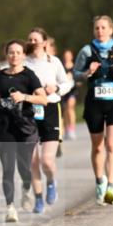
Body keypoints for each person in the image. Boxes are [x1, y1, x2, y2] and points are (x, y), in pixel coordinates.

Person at [0, 40, 46, 222]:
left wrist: (24, 97)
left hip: (24, 127)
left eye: (18, 52)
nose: (14, 56)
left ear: (24, 55)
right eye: (11, 52)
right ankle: (10, 208)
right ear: (7, 54)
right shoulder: (0, 76)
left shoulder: (29, 75)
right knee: (8, 169)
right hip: (4, 127)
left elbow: (43, 99)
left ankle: (26, 187)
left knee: (24, 168)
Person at [73, 15, 113, 205]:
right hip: (94, 102)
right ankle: (99, 182)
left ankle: (111, 187)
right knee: (97, 146)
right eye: (97, 28)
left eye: (104, 28)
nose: (100, 31)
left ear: (111, 30)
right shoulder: (86, 51)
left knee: (111, 145)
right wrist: (87, 72)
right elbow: (75, 75)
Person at [24, 27, 72, 213]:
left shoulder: (54, 61)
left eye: (35, 39)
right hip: (29, 111)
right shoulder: (24, 63)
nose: (32, 42)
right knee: (33, 161)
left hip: (50, 108)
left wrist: (56, 88)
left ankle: (51, 181)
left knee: (46, 160)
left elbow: (67, 83)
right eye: (30, 39)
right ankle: (38, 199)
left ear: (44, 42)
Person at [60, 48, 79, 140]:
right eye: (65, 56)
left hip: (72, 90)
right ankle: (66, 128)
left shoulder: (75, 67)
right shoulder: (61, 67)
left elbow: (79, 79)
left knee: (70, 107)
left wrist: (75, 80)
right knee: (65, 110)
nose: (67, 57)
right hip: (64, 90)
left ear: (71, 56)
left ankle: (72, 129)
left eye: (68, 55)